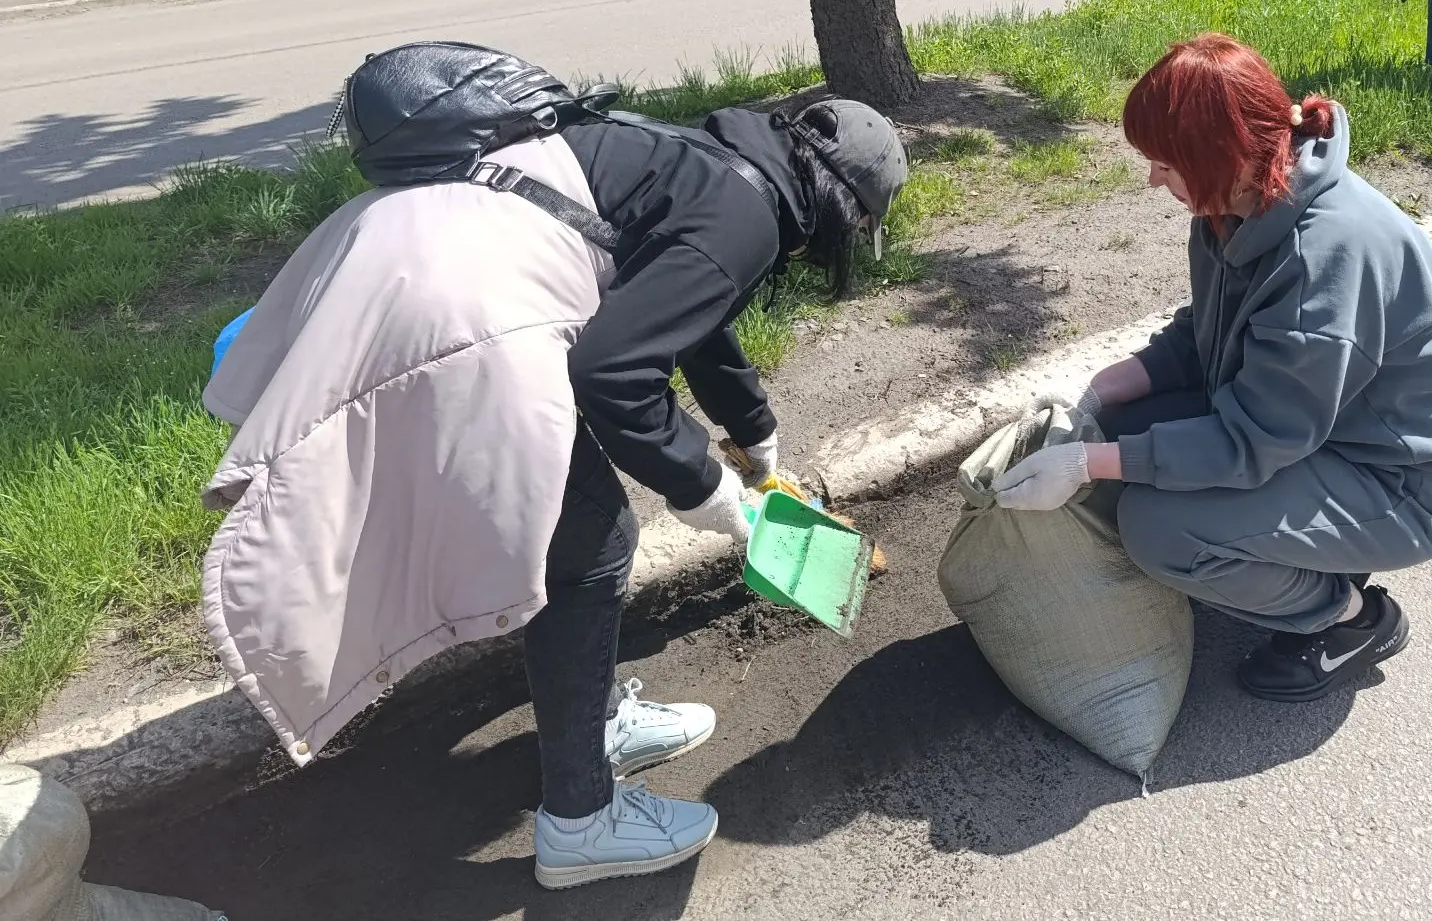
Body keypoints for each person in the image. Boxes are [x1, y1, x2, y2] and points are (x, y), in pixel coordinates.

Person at [200, 44, 908, 893]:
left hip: (397, 257)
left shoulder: (705, 162)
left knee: (570, 538)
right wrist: (714, 495)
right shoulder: (748, 213)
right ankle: (581, 819)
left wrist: (756, 440)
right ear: (841, 207)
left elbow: (691, 314)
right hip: (463, 313)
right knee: (596, 546)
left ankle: (595, 720)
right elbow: (610, 370)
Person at [990, 34, 1432, 701]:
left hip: (1406, 481)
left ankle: (1348, 619)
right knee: (1117, 423)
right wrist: (1096, 391)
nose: (1153, 180)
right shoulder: (1237, 205)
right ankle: (1270, 554)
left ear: (1218, 157)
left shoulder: (1325, 260)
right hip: (1322, 434)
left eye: (1165, 165)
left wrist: (1089, 465)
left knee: (1157, 527)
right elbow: (1208, 337)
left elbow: (1250, 440)